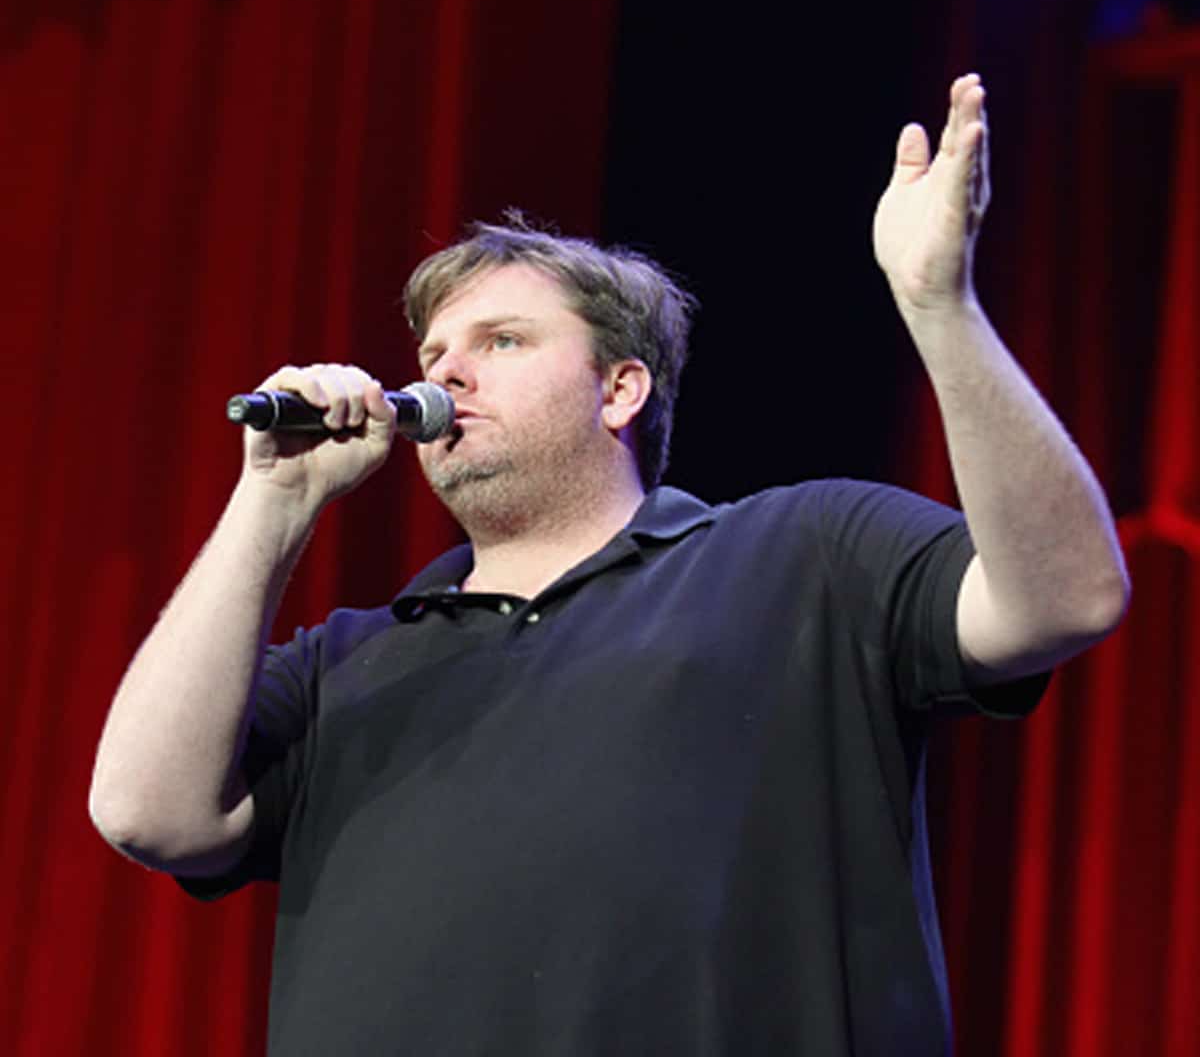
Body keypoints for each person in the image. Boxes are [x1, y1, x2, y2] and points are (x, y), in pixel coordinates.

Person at [90, 74, 1129, 1056]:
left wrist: (939, 305)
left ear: (621, 390)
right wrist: (271, 503)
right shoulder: (343, 665)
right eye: (433, 355)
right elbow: (146, 812)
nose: (445, 370)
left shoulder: (804, 552)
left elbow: (1066, 598)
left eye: (500, 341)